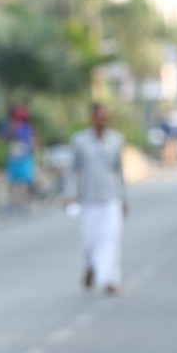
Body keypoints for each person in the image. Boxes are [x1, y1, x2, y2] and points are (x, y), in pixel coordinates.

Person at [65, 103, 128, 294]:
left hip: (111, 198)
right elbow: (72, 170)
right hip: (89, 198)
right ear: (92, 118)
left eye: (105, 116)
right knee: (90, 240)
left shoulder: (116, 140)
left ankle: (109, 279)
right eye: (99, 116)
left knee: (111, 239)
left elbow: (119, 171)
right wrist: (70, 195)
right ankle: (90, 265)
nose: (102, 120)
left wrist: (124, 198)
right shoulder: (80, 141)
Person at [4, 104, 36, 212]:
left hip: (24, 158)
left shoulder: (27, 127)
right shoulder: (10, 126)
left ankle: (27, 204)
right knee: (13, 183)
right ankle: (13, 203)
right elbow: (5, 138)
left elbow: (31, 141)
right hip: (14, 159)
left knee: (25, 183)